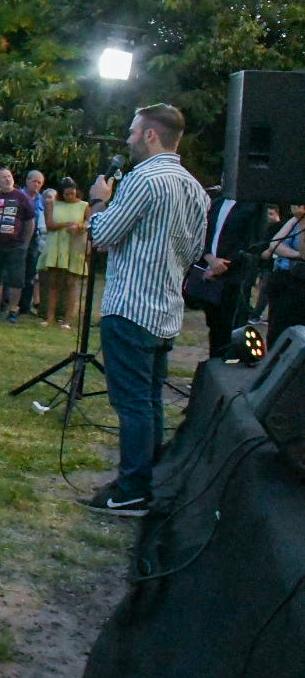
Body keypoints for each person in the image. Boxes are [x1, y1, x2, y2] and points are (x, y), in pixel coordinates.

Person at [81, 103, 208, 516]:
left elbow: (103, 235)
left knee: (133, 404)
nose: (129, 138)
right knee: (150, 401)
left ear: (152, 135)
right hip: (167, 307)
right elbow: (194, 252)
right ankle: (142, 479)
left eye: (134, 132)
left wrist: (100, 202)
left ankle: (133, 488)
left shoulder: (143, 179)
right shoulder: (194, 187)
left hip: (131, 305)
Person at [191, 192, 270, 356]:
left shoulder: (254, 205)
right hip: (207, 269)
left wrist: (223, 264)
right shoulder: (216, 201)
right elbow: (201, 231)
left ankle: (223, 363)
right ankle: (212, 364)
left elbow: (254, 242)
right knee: (214, 326)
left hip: (232, 275)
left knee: (228, 328)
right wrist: (208, 258)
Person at [0, 168, 37, 322]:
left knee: (16, 279)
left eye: (9, 176)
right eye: (3, 177)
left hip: (16, 246)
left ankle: (13, 311)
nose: (7, 179)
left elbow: (30, 221)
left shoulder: (21, 197)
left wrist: (25, 243)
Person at [41, 177, 90, 330]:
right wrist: (65, 224)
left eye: (72, 192)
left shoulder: (84, 206)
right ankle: (49, 317)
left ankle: (67, 320)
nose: (70, 196)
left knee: (71, 283)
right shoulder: (52, 204)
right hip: (56, 245)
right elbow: (49, 225)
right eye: (67, 194)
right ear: (61, 193)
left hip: (74, 246)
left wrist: (79, 226)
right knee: (53, 282)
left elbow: (90, 223)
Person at [262, 202, 305, 336]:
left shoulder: (301, 222)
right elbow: (275, 245)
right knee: (275, 327)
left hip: (299, 283)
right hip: (282, 277)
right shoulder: (295, 220)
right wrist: (296, 254)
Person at [17, 170, 47, 316]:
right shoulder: (17, 196)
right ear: (27, 181)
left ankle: (25, 307)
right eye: (33, 181)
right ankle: (6, 304)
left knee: (30, 273)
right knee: (13, 271)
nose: (36, 184)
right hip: (16, 237)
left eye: (39, 182)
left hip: (34, 239)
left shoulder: (43, 200)